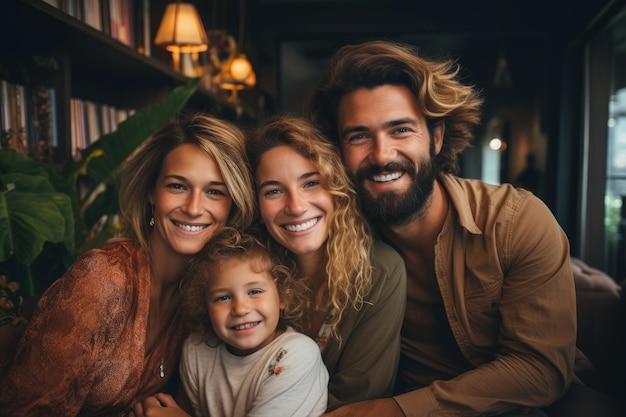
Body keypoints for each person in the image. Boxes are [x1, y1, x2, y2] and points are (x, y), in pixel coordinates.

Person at [306, 40, 619, 417]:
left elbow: (540, 372)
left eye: (401, 130)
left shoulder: (516, 221)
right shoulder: (332, 239)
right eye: (358, 136)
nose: (382, 154)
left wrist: (395, 411)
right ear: (338, 150)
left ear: (436, 137)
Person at [0, 112, 256, 417]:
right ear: (151, 192)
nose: (193, 208)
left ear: (234, 204)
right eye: (177, 186)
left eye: (215, 191)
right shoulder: (102, 278)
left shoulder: (205, 294)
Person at [246, 114, 407, 411]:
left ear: (337, 189)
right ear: (256, 204)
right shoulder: (245, 271)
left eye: (311, 183)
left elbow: (358, 405)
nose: (295, 206)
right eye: (273, 191)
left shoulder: (380, 271)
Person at [134, 227, 329, 417]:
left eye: (254, 292)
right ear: (204, 305)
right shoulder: (197, 349)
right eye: (222, 298)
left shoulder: (298, 355)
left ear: (283, 296)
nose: (240, 309)